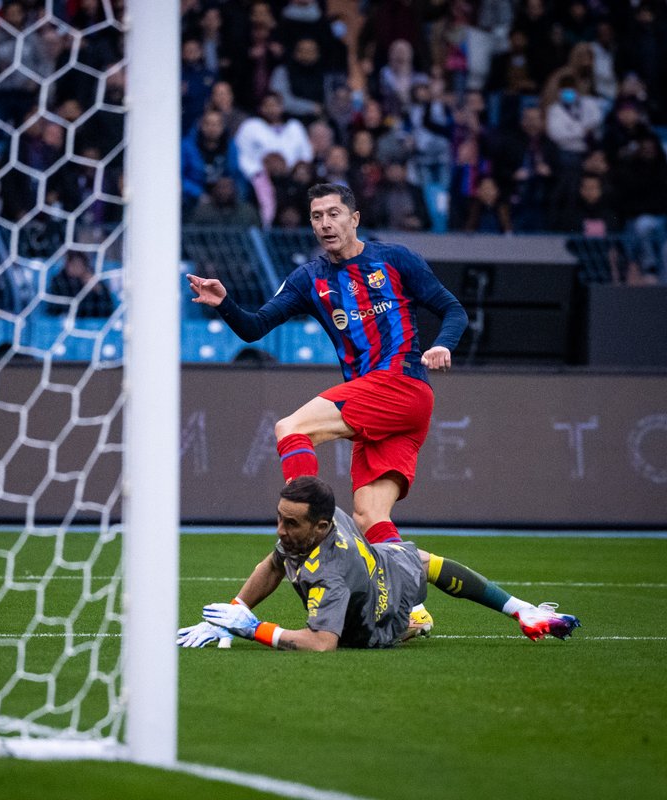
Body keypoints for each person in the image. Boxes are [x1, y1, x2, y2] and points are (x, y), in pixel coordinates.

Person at [187, 182, 467, 628]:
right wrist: (225, 305)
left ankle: (317, 520)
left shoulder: (395, 260)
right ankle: (413, 609)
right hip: (379, 406)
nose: (325, 224)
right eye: (317, 217)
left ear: (354, 218)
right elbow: (255, 327)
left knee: (290, 428)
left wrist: (444, 345)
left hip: (401, 383)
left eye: (334, 214)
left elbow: (453, 310)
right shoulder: (309, 279)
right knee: (372, 517)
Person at [178, 478, 581, 651]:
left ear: (321, 526)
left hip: (375, 617)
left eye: (290, 523)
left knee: (380, 627)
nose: (280, 530)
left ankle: (413, 622)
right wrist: (231, 611)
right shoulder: (320, 515)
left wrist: (254, 628)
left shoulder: (329, 577)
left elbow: (321, 644)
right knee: (420, 560)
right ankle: (519, 610)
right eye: (279, 518)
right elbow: (274, 563)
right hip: (384, 566)